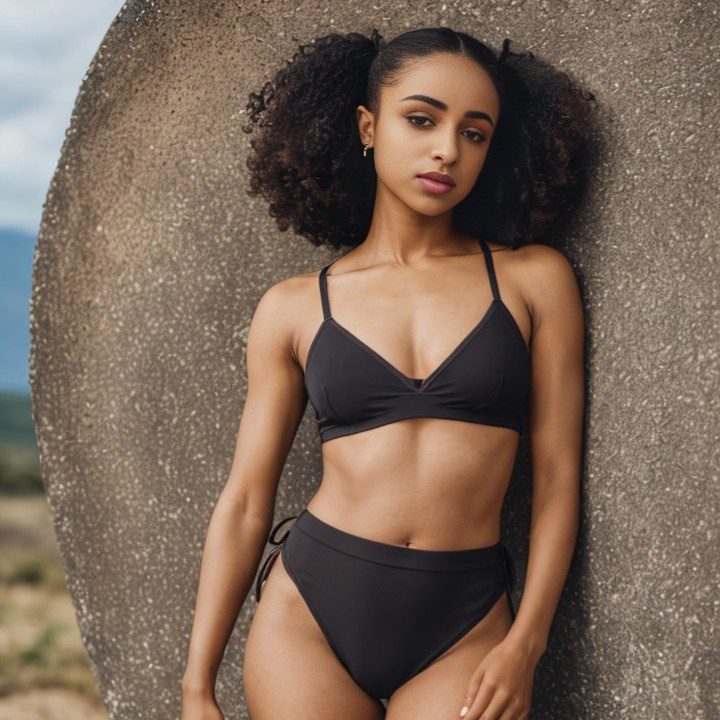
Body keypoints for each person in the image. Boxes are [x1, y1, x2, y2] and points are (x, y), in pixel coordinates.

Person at [181, 26, 594, 720]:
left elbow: (557, 478)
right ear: (369, 127)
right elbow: (247, 500)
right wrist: (196, 687)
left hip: (464, 623)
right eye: (422, 119)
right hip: (309, 614)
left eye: (475, 133)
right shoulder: (293, 307)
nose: (446, 150)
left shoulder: (532, 280)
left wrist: (527, 643)